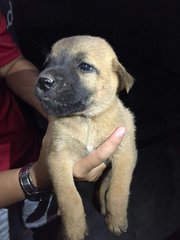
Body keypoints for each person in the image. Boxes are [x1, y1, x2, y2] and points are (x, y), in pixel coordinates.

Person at [0, 1, 125, 239]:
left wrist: (53, 111)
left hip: (29, 148)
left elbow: (10, 64)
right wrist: (37, 177)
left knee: (49, 222)